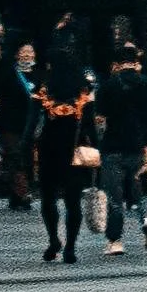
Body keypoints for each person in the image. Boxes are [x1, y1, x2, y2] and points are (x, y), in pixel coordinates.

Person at [31, 46, 102, 265]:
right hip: (75, 151)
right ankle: (70, 247)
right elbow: (90, 127)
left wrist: (25, 151)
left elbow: (31, 124)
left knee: (48, 198)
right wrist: (98, 155)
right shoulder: (84, 91)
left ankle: (54, 239)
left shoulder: (42, 90)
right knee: (73, 202)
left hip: (48, 150)